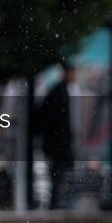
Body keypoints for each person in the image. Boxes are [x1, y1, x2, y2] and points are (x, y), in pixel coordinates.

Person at [33, 63, 77, 209]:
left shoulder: (60, 91)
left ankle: (57, 202)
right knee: (59, 174)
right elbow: (54, 120)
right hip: (58, 143)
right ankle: (57, 203)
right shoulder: (59, 92)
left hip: (58, 143)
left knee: (58, 175)